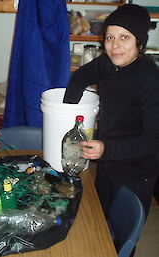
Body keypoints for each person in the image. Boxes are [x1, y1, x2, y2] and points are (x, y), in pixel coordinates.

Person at [63, 4, 159, 218]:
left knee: (122, 231)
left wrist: (107, 148)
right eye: (109, 37)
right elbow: (79, 78)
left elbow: (152, 141)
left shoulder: (151, 80)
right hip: (107, 164)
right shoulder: (107, 63)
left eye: (124, 37)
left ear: (140, 43)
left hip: (137, 171)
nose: (115, 46)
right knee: (100, 218)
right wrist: (69, 118)